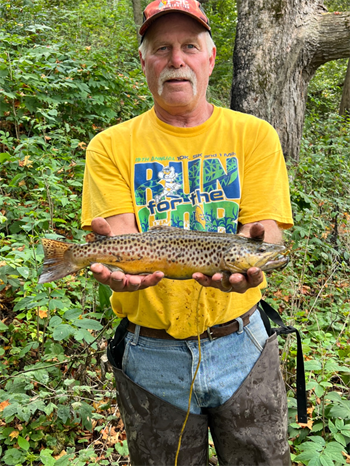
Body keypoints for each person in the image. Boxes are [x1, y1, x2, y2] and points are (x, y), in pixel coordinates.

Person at [81, 0, 294, 464]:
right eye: (162, 48)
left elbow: (268, 236)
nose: (176, 59)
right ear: (144, 61)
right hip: (151, 355)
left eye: (189, 46)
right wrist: (114, 264)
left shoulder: (255, 135)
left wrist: (263, 245)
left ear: (210, 58)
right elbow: (124, 241)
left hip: (245, 347)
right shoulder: (110, 146)